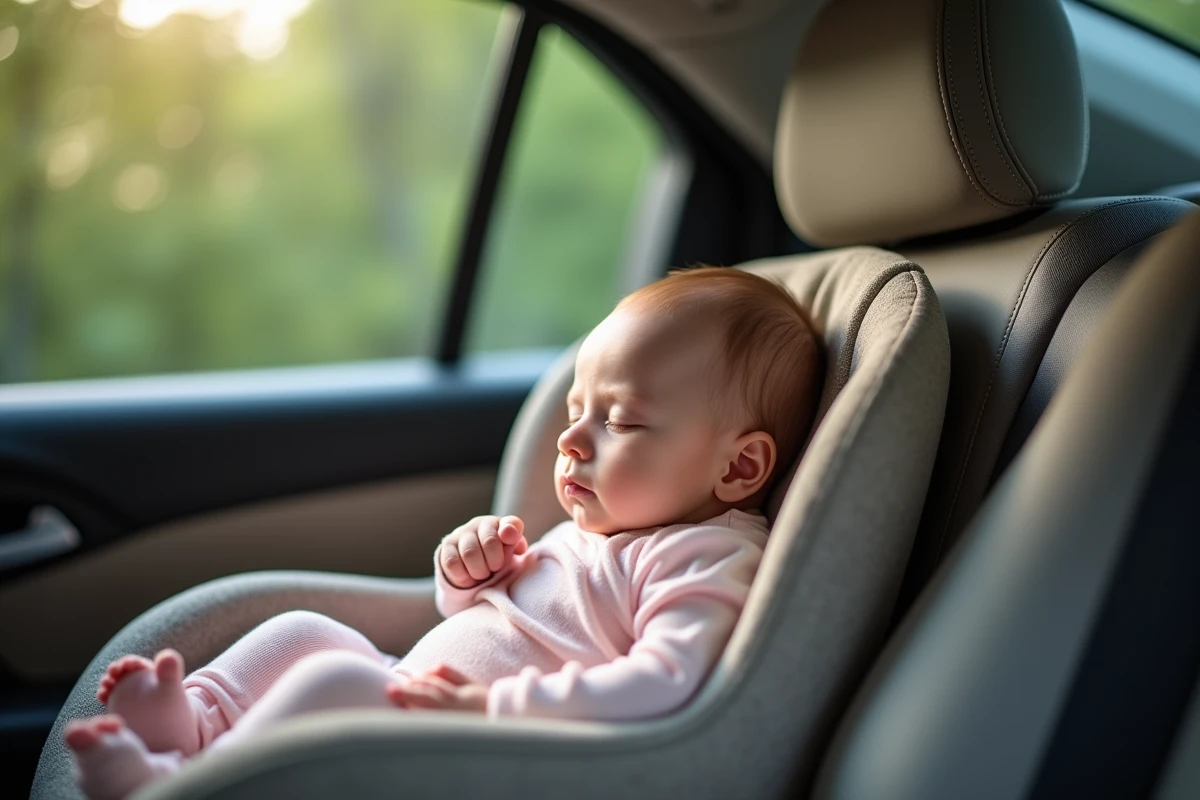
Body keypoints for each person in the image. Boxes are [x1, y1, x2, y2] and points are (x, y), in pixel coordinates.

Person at [64, 266, 825, 800]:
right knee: (304, 634)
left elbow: (669, 682)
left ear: (740, 467)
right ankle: (195, 723)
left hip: (487, 745)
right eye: (575, 413)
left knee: (340, 681)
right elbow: (475, 621)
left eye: (620, 420)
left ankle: (192, 787)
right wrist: (465, 577)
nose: (573, 441)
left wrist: (494, 712)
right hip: (425, 687)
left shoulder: (705, 553)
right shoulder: (602, 522)